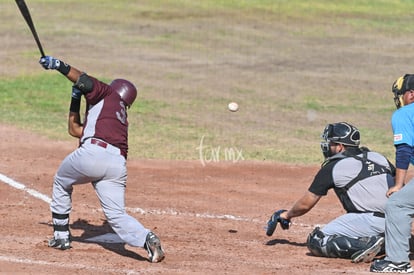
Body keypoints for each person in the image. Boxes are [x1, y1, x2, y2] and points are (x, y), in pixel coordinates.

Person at [39, 55, 165, 263]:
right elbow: (75, 130)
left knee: (62, 182)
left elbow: (84, 80)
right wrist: (75, 98)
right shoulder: (117, 119)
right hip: (116, 165)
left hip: (92, 155)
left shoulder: (108, 94)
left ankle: (61, 237)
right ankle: (147, 238)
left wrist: (58, 65)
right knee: (116, 215)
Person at [266, 122, 396, 263]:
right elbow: (398, 186)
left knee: (317, 240)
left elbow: (306, 204)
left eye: (331, 143)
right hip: (399, 220)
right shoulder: (379, 157)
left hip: (370, 220)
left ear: (340, 146)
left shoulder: (333, 167)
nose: (327, 146)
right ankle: (402, 241)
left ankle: (367, 244)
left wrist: (286, 215)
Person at [370, 75, 414, 273]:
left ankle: (397, 262)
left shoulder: (405, 114)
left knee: (397, 205)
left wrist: (398, 184)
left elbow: (404, 150)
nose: (400, 99)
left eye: (401, 94)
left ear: (411, 94)